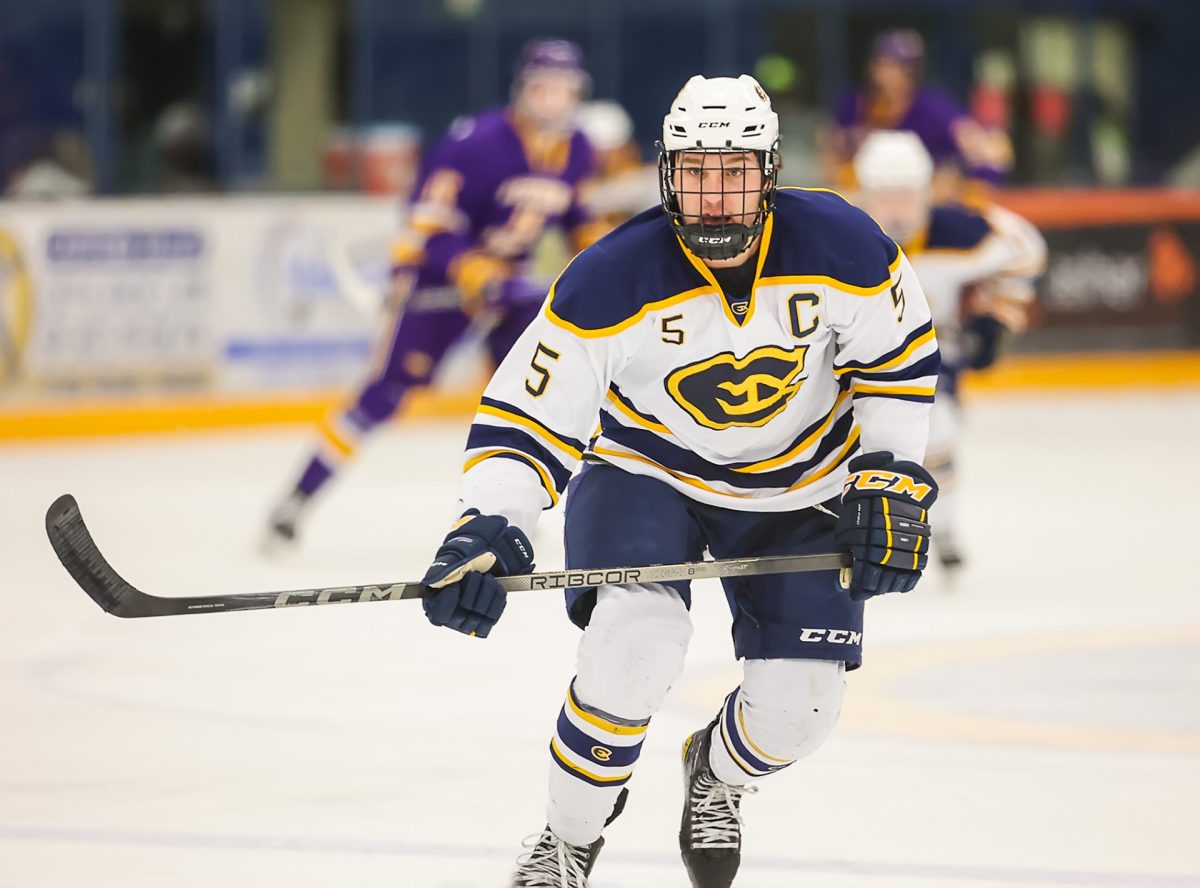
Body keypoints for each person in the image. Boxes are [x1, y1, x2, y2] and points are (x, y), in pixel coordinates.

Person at [419, 75, 942, 887]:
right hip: (646, 473)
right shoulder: (609, 278)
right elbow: (528, 414)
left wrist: (888, 479)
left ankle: (717, 773)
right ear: (668, 173)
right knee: (633, 647)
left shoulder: (847, 246)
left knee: (799, 713)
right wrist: (489, 523)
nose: (715, 195)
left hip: (803, 486)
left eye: (735, 172)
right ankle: (566, 841)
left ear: (769, 172)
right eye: (696, 171)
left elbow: (899, 367)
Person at [265, 38, 602, 547]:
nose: (553, 99)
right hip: (441, 282)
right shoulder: (476, 143)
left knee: (539, 390)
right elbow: (429, 223)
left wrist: (600, 258)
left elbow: (577, 217)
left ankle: (522, 509)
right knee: (387, 392)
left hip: (509, 287)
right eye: (542, 87)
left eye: (564, 89)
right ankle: (298, 498)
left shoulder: (578, 149)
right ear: (524, 90)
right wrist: (466, 266)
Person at [851, 130, 1045, 569]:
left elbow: (1026, 251)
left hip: (931, 359)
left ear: (926, 190)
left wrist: (997, 318)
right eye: (886, 195)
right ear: (865, 193)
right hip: (853, 362)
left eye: (907, 194)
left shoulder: (960, 230)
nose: (898, 207)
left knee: (937, 433)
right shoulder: (845, 238)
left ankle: (945, 528)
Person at [823, 29, 1012, 205]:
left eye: (902, 68)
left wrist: (965, 189)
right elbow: (828, 156)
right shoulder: (853, 105)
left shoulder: (932, 109)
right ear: (873, 67)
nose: (891, 74)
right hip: (865, 204)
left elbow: (996, 150)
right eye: (886, 65)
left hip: (920, 206)